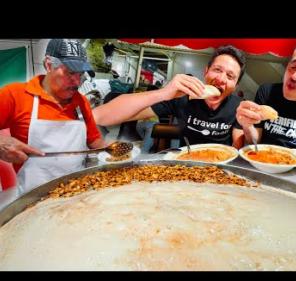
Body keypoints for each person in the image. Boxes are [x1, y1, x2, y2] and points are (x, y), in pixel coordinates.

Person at [0, 39, 105, 193]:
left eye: (80, 74)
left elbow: (94, 140)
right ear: (49, 65)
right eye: (70, 72)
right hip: (32, 198)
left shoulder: (81, 102)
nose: (77, 81)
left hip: (76, 193)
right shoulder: (15, 95)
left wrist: (113, 151)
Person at [93, 45, 246, 149]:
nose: (221, 79)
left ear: (236, 85)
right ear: (206, 71)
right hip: (185, 166)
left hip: (220, 169)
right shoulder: (182, 97)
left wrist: (249, 127)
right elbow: (101, 116)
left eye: (230, 76)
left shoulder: (238, 106)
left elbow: (238, 146)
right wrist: (163, 93)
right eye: (217, 69)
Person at [236, 39, 296, 149]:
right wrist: (247, 126)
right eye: (293, 66)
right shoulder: (267, 92)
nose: (295, 76)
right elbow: (254, 141)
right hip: (266, 161)